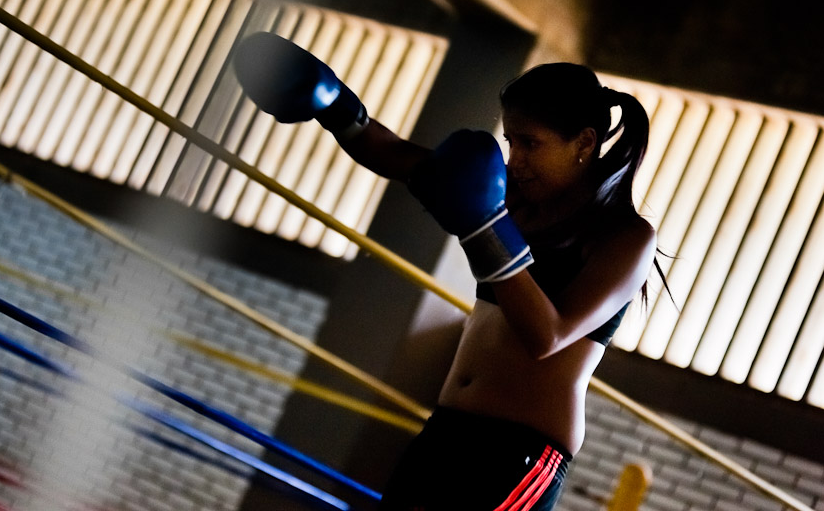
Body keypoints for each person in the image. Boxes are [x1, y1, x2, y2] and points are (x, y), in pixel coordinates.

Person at [233, 32, 659, 511]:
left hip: (520, 456)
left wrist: (484, 225)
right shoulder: (513, 200)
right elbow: (395, 154)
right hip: (446, 431)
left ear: (583, 143)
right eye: (510, 141)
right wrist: (330, 103)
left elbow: (547, 335)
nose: (515, 160)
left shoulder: (626, 237)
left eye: (532, 144)